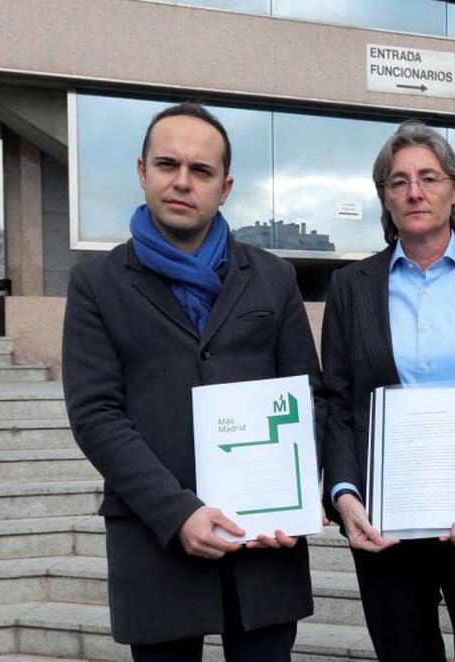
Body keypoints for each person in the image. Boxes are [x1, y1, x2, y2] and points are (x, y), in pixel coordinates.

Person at [62, 102, 325, 662]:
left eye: (201, 171)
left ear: (225, 187)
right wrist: (177, 511)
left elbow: (308, 399)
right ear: (142, 171)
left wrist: (293, 500)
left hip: (264, 549)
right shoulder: (96, 283)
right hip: (155, 542)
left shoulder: (274, 276)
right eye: (167, 164)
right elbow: (96, 415)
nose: (182, 181)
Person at [320, 119, 455, 662]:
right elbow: (337, 403)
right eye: (398, 181)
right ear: (385, 198)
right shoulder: (351, 288)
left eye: (428, 177)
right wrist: (344, 493)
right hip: (385, 524)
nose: (414, 191)